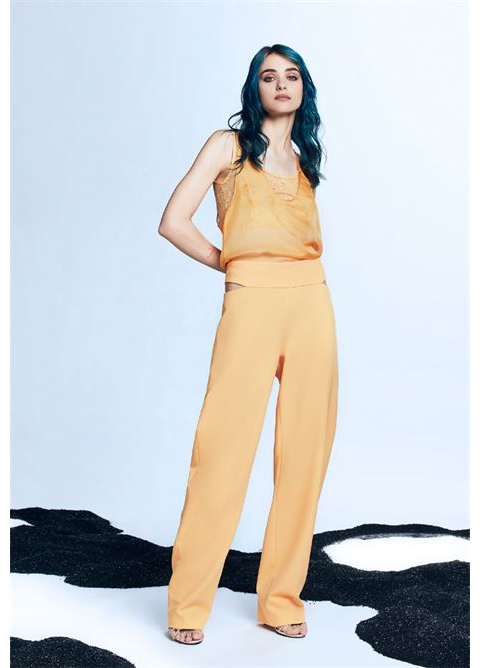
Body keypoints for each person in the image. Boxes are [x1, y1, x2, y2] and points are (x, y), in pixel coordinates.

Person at [158, 44, 339, 645]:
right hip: (251, 301)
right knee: (223, 449)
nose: (281, 84)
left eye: (292, 76)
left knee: (305, 456)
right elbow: (173, 221)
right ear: (254, 88)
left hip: (312, 301)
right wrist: (232, 262)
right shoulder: (227, 146)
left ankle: (281, 599)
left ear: (303, 88)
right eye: (269, 76)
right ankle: (188, 604)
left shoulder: (305, 157)